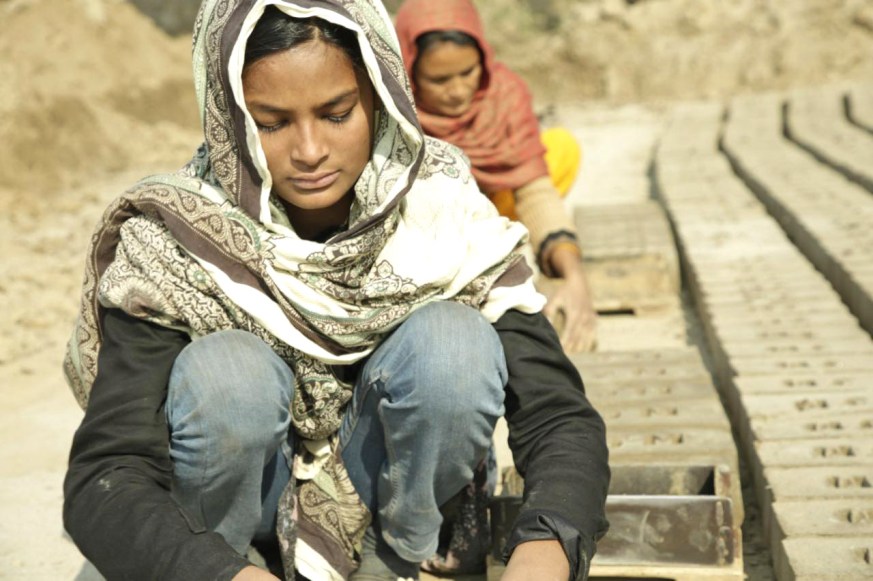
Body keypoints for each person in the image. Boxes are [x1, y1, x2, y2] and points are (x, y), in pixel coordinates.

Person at [62, 1, 610, 581]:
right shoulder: (174, 243)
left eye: (337, 114)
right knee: (229, 376)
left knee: (454, 346)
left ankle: (391, 557)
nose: (309, 151)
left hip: (390, 521)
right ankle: (246, 556)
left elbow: (557, 416)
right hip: (226, 546)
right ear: (227, 116)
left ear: (380, 96)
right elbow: (107, 474)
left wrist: (546, 549)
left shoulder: (442, 214)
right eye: (271, 123)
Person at [394, 0, 598, 354]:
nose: (458, 90)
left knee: (560, 148)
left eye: (468, 72)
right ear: (409, 71)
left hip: (495, 205)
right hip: (427, 229)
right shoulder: (394, 111)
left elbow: (534, 190)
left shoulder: (504, 94)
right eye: (439, 80)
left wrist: (573, 275)